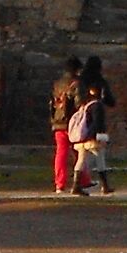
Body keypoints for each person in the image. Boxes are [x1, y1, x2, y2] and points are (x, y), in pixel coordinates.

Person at [70, 54, 116, 196]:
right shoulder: (99, 83)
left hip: (83, 125)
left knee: (81, 158)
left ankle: (76, 185)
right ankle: (105, 185)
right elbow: (110, 101)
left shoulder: (80, 82)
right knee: (100, 156)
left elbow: (75, 101)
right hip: (94, 130)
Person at [51, 56, 83, 195]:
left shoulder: (57, 84)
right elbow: (78, 102)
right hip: (73, 122)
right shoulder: (76, 83)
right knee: (80, 152)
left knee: (61, 153)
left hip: (58, 122)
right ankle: (82, 180)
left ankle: (60, 184)